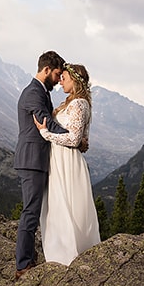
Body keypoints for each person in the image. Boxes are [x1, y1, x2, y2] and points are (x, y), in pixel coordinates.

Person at [33, 63, 101, 266]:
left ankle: (70, 253)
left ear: (75, 80)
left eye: (64, 77)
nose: (60, 81)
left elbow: (74, 139)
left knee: (69, 204)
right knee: (57, 204)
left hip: (67, 160)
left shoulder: (79, 104)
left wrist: (45, 133)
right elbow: (81, 141)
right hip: (58, 158)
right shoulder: (69, 103)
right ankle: (59, 251)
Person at [14, 50, 67, 279]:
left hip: (37, 159)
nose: (58, 79)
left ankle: (30, 259)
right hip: (32, 160)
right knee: (31, 213)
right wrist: (73, 136)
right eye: (56, 74)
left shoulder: (40, 92)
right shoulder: (33, 93)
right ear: (46, 70)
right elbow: (45, 123)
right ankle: (22, 265)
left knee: (37, 211)